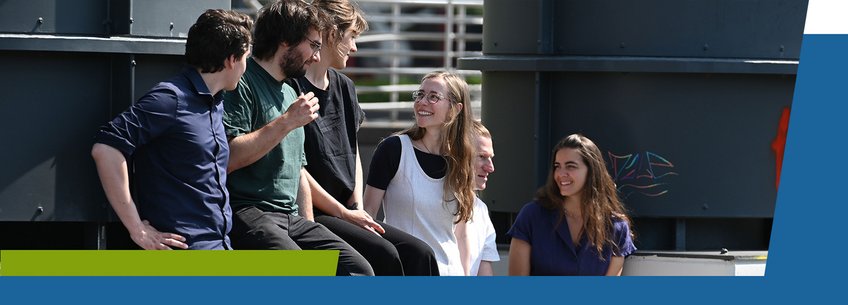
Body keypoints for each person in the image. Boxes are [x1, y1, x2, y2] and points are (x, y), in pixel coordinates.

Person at [222, 0, 373, 276]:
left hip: (290, 218)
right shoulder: (242, 82)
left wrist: (309, 225)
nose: (316, 56)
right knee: (301, 271)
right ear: (285, 41)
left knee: (357, 269)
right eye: (314, 45)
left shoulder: (291, 93)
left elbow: (299, 171)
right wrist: (287, 121)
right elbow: (230, 157)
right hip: (248, 211)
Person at [291, 0, 438, 275]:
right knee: (386, 255)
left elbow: (353, 149)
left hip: (349, 210)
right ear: (332, 34)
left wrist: (356, 205)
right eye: (352, 37)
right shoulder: (292, 88)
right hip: (320, 211)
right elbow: (296, 167)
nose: (355, 47)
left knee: (420, 254)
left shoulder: (345, 86)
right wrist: (343, 212)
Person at [91, 9, 253, 250]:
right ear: (231, 59)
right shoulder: (170, 99)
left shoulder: (215, 102)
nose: (245, 66)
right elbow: (106, 148)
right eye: (246, 58)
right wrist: (137, 228)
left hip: (219, 245)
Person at [364, 71, 476, 276]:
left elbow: (462, 234)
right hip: (405, 273)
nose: (422, 102)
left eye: (433, 97)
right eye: (420, 94)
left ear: (455, 109)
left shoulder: (463, 160)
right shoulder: (393, 149)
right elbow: (367, 215)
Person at [507, 134, 636, 275]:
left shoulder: (616, 227)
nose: (561, 173)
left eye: (570, 166)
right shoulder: (531, 216)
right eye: (557, 166)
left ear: (592, 171)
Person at [467, 120, 499, 276]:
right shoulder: (424, 202)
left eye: (491, 158)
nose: (490, 167)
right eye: (482, 157)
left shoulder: (481, 211)